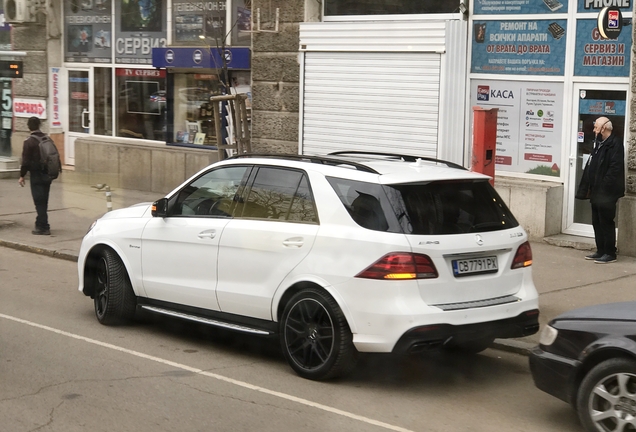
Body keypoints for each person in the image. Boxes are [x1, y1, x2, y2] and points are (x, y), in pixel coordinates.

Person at [584, 117, 625, 263]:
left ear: (604, 128)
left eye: (596, 127)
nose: (594, 130)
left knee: (606, 221)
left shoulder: (615, 143)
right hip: (596, 190)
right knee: (596, 220)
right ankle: (600, 250)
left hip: (607, 192)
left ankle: (610, 253)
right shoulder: (599, 143)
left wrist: (603, 187)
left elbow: (614, 169)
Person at [18, 117, 52, 235]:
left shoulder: (29, 142)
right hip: (47, 174)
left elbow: (25, 161)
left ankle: (43, 226)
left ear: (28, 126)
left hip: (36, 175)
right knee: (44, 200)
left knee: (39, 201)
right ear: (39, 125)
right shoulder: (46, 138)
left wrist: (22, 175)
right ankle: (41, 222)